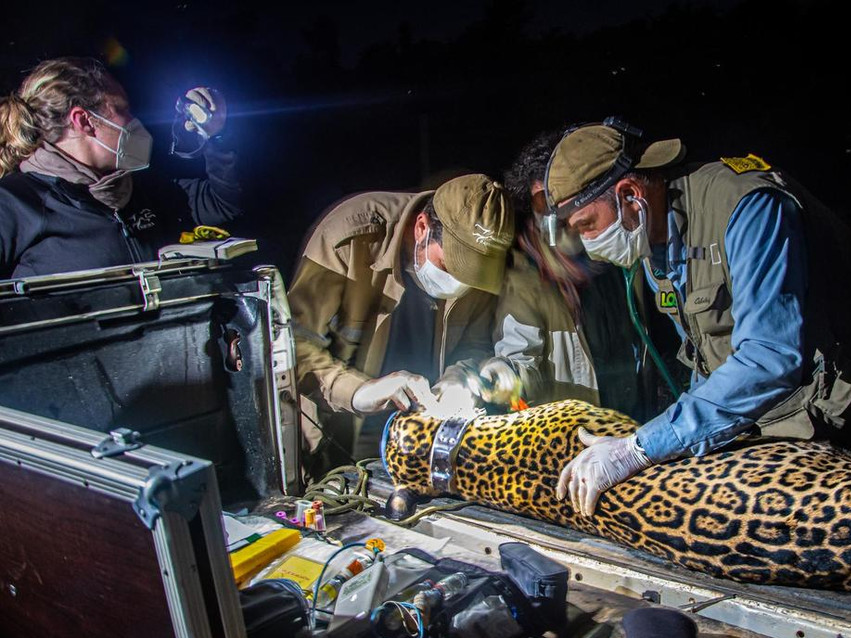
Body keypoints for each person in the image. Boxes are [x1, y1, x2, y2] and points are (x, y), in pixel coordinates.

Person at [543, 120, 851, 516]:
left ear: (630, 194)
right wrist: (681, 437)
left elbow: (770, 355)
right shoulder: (653, 233)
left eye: (588, 225)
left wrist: (640, 448)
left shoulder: (749, 207)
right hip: (775, 411)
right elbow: (708, 350)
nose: (588, 243)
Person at [287, 173, 514, 475]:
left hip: (418, 442)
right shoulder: (351, 235)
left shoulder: (485, 267)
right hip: (336, 433)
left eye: (473, 277)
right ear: (423, 228)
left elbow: (475, 343)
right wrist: (358, 391)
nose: (461, 283)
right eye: (451, 266)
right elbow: (292, 345)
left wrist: (459, 376)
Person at [0, 57, 242, 278]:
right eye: (122, 109)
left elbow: (223, 203)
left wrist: (218, 137)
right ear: (84, 120)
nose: (133, 120)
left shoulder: (139, 188)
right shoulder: (17, 202)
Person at [485, 129, 665, 420]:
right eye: (545, 203)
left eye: (566, 200)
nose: (557, 214)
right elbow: (519, 355)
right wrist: (506, 373)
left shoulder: (622, 250)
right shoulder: (526, 276)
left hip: (630, 423)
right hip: (573, 436)